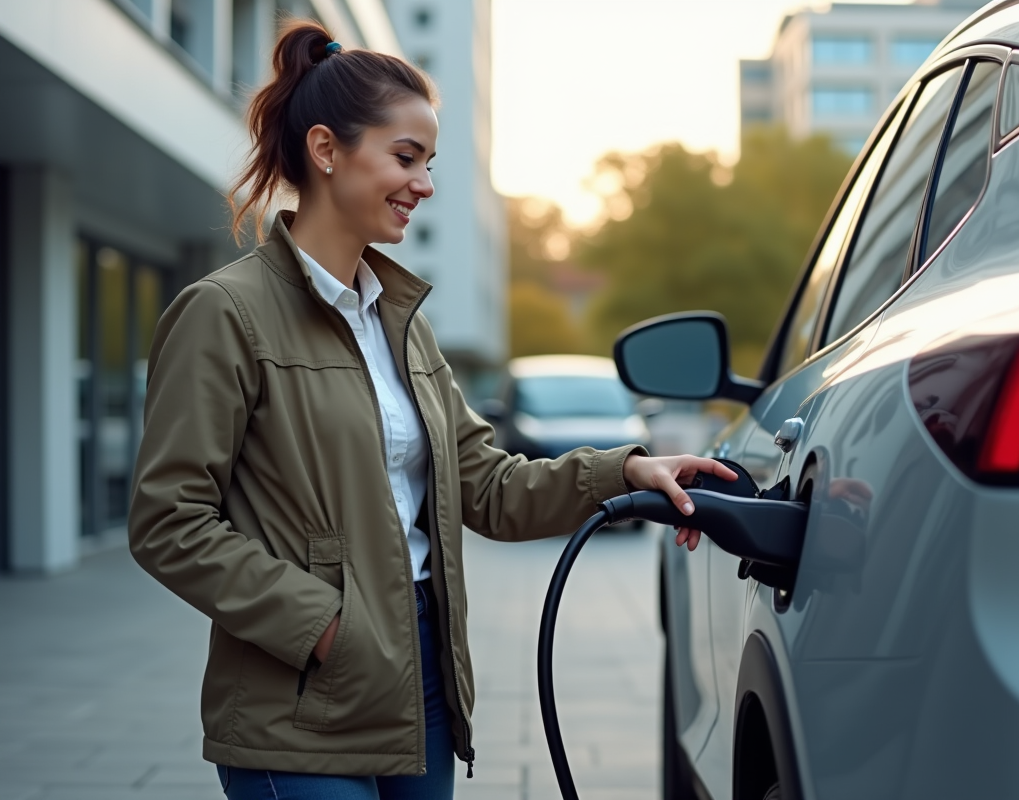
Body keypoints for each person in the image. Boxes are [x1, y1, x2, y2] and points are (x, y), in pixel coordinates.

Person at [128, 20, 733, 800]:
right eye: (405, 158)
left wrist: (627, 471)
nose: (425, 183)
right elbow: (168, 519)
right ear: (325, 150)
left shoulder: (401, 324)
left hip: (422, 680)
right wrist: (321, 627)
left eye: (430, 162)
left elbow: (485, 487)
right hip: (299, 701)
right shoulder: (225, 313)